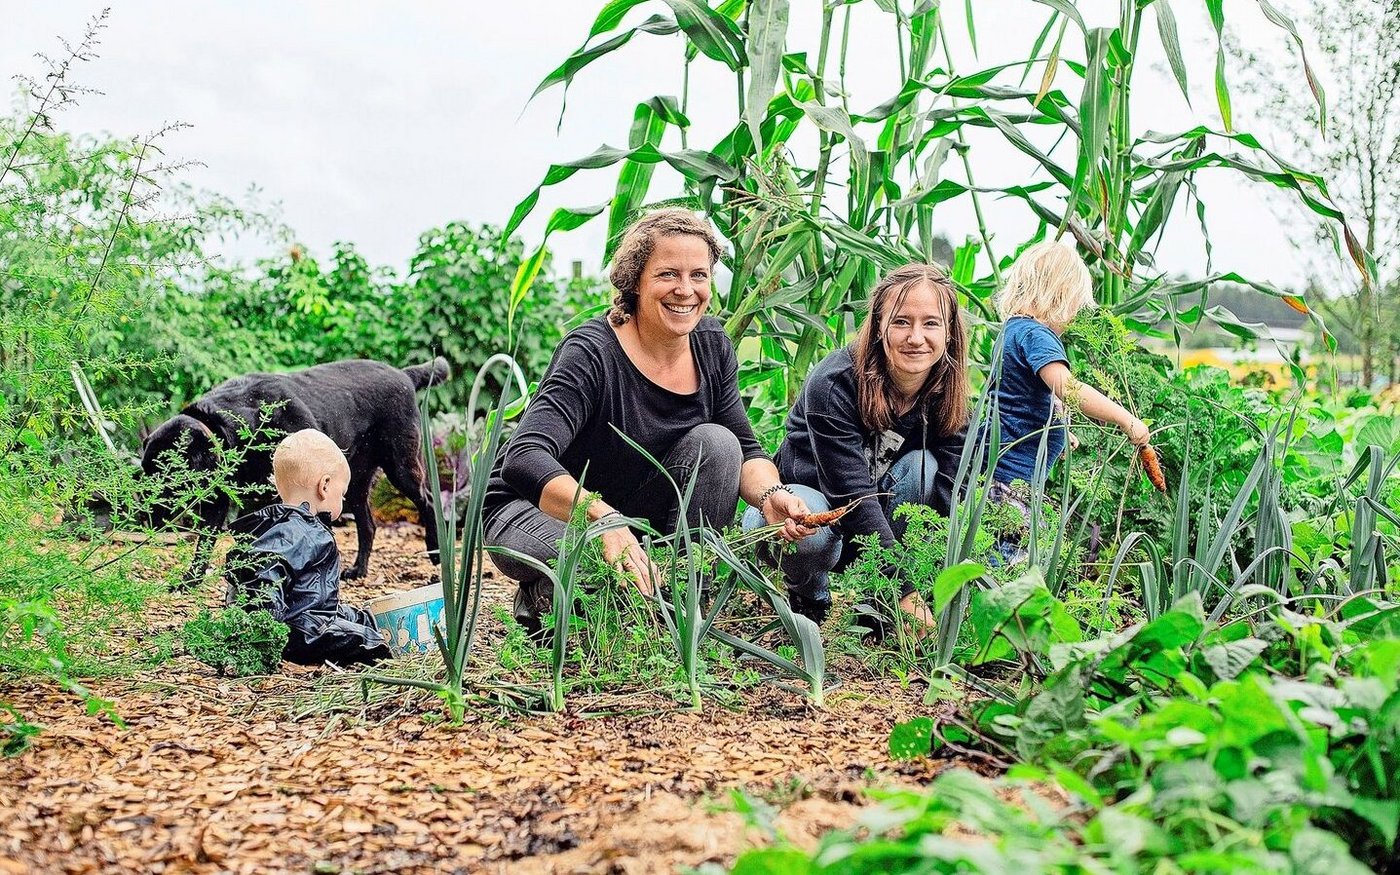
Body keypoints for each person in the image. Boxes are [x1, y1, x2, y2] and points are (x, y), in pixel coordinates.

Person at [482, 208, 814, 636]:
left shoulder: (712, 347)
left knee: (719, 443)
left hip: (629, 510)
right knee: (598, 573)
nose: (685, 290)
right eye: (667, 274)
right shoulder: (593, 353)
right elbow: (525, 458)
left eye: (699, 275)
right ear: (635, 282)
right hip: (535, 509)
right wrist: (602, 519)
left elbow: (747, 452)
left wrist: (771, 495)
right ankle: (543, 596)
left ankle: (688, 608)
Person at [750, 263, 971, 630]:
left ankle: (876, 608)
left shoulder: (948, 394)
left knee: (927, 470)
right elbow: (849, 495)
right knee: (797, 528)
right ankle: (810, 598)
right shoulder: (835, 383)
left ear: (949, 333)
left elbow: (952, 494)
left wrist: (949, 583)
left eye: (931, 323)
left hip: (881, 521)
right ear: (879, 326)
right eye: (901, 322)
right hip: (816, 512)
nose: (916, 337)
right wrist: (905, 592)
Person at [989, 241, 1149, 549]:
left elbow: (1020, 394)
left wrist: (1058, 428)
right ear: (1060, 296)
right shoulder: (1037, 336)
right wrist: (1126, 419)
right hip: (1013, 480)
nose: (1074, 316)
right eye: (1075, 305)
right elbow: (1069, 388)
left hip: (1000, 469)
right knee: (1013, 560)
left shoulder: (1012, 330)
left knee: (1003, 553)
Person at [224, 429, 392, 666]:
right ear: (324, 486)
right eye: (342, 494)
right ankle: (391, 654)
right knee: (370, 641)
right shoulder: (300, 530)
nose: (343, 501)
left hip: (310, 615)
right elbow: (264, 568)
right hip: (299, 632)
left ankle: (370, 624)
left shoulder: (288, 526)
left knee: (360, 618)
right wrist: (268, 629)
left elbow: (313, 596)